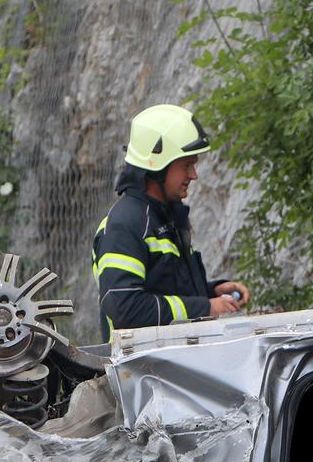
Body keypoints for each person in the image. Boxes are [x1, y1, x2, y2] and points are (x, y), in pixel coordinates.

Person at [91, 103, 249, 338]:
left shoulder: (162, 218)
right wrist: (206, 307)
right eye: (186, 165)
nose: (193, 175)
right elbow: (126, 309)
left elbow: (165, 293)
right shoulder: (125, 225)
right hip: (142, 371)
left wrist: (212, 292)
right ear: (157, 168)